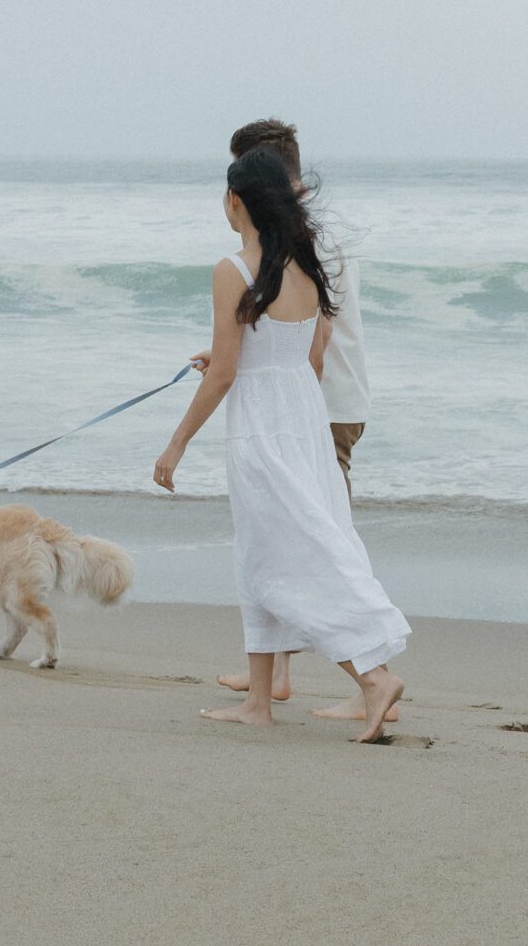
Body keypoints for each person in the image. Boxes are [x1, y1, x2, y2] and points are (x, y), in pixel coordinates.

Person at [153, 147, 407, 742]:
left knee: (275, 563)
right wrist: (237, 360)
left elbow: (225, 376)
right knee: (267, 557)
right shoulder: (304, 262)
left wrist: (176, 445)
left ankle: (371, 677)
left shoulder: (232, 268)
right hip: (303, 422)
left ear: (237, 200)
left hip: (261, 431)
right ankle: (260, 703)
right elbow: (307, 355)